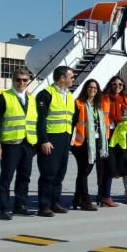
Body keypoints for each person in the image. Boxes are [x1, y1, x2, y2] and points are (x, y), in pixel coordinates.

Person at [0, 68, 37, 219]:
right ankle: (4, 208)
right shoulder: (4, 97)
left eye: (25, 80)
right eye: (18, 79)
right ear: (13, 80)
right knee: (7, 177)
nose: (21, 83)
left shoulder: (31, 99)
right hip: (11, 144)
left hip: (27, 143)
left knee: (24, 177)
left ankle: (20, 205)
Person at [35, 65, 76, 217]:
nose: (73, 79)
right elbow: (41, 119)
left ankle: (55, 202)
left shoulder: (69, 95)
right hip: (51, 138)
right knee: (48, 173)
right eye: (71, 77)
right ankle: (44, 205)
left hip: (64, 139)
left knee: (60, 172)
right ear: (62, 78)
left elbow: (72, 117)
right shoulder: (46, 94)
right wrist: (44, 140)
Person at [70, 79, 108, 211]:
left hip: (95, 142)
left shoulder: (97, 105)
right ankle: (85, 200)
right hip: (81, 143)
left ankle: (77, 198)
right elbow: (72, 123)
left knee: (84, 171)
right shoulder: (78, 103)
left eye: (95, 88)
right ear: (86, 88)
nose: (93, 90)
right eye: (91, 87)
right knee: (84, 171)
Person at [100, 75, 127, 207]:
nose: (117, 87)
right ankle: (105, 196)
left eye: (120, 85)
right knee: (108, 167)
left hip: (119, 137)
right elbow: (110, 116)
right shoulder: (105, 98)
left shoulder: (124, 99)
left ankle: (104, 195)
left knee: (116, 166)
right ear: (110, 85)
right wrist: (121, 119)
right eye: (114, 84)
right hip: (108, 135)